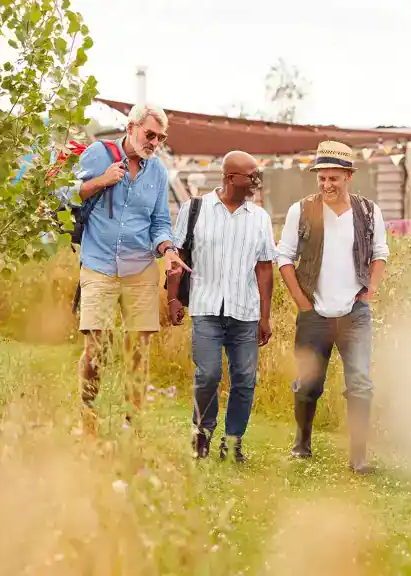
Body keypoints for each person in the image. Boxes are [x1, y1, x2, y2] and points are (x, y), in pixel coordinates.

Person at [72, 103, 190, 435]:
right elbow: (64, 194)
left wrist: (167, 250)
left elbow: (160, 223)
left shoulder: (158, 172)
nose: (154, 142)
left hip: (140, 267)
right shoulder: (99, 154)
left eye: (161, 138)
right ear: (131, 127)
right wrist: (100, 182)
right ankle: (88, 417)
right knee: (95, 348)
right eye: (149, 134)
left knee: (139, 350)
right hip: (99, 264)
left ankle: (132, 423)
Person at [275, 140, 389, 474]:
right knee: (309, 384)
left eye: (333, 178)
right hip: (314, 312)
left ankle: (358, 457)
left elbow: (380, 252)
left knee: (360, 384)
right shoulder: (302, 210)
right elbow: (284, 256)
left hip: (354, 313)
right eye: (321, 178)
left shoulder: (368, 211)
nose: (326, 184)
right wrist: (302, 302)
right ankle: (302, 444)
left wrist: (369, 291)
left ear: (348, 176)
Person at [167, 151, 276, 462]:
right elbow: (179, 257)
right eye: (251, 176)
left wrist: (265, 316)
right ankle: (202, 433)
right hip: (205, 307)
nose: (256, 181)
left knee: (245, 379)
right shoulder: (194, 209)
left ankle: (233, 440)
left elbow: (265, 267)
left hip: (245, 311)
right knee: (208, 375)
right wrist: (173, 298)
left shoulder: (260, 218)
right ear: (229, 178)